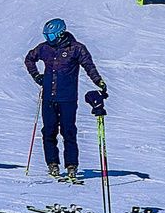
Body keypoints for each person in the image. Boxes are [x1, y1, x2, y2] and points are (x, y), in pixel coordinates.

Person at [23, 19, 106, 185]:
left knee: (68, 132)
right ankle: (52, 163)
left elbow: (89, 66)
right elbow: (29, 59)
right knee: (49, 131)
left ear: (60, 33)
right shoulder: (44, 48)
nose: (49, 39)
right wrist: (37, 77)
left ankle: (71, 166)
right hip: (48, 97)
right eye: (46, 35)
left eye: (51, 35)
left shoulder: (76, 48)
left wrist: (99, 82)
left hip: (67, 98)